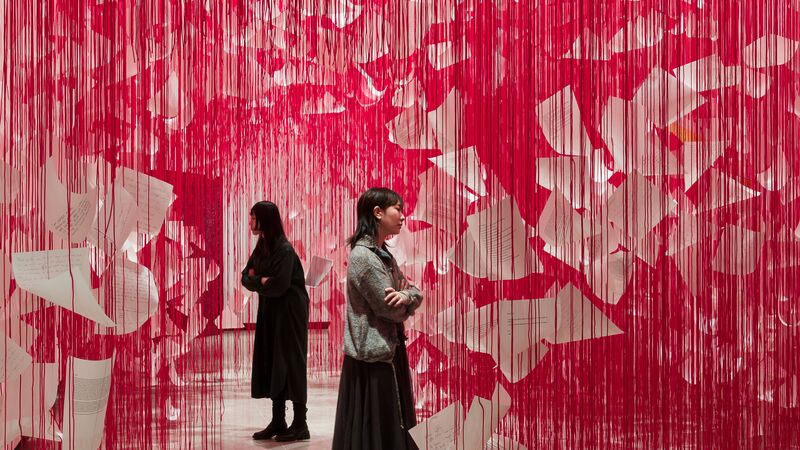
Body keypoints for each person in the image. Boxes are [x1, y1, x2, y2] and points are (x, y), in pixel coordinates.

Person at [332, 188, 424, 450]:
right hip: (373, 357)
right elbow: (389, 308)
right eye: (398, 209)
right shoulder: (365, 257)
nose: (403, 216)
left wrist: (406, 297)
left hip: (385, 351)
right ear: (377, 213)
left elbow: (414, 291)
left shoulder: (383, 255)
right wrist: (407, 299)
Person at [241, 201, 310, 442]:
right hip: (271, 311)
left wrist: (257, 281)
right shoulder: (263, 246)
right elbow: (244, 277)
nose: (249, 223)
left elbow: (280, 285)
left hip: (290, 313)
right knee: (273, 361)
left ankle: (300, 424)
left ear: (263, 220)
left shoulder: (284, 250)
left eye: (252, 218)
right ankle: (278, 420)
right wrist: (261, 281)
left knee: (291, 362)